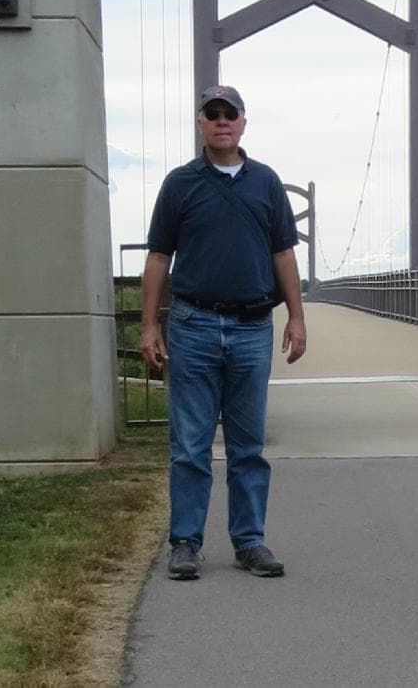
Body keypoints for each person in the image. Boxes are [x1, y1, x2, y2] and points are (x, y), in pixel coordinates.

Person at [139, 84, 308, 581]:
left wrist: (296, 317)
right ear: (200, 123)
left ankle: (249, 542)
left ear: (242, 122)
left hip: (254, 326)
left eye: (228, 114)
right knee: (190, 444)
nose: (220, 122)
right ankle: (186, 542)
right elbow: (158, 257)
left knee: (247, 445)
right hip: (192, 323)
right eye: (211, 114)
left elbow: (283, 254)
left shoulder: (266, 183)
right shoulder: (180, 184)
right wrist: (150, 323)